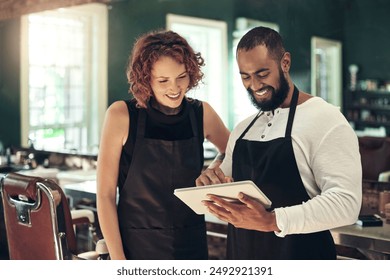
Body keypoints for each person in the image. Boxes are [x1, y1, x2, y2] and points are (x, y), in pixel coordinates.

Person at [196, 26, 362, 260]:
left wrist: (272, 221)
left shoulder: (326, 120)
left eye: (262, 74)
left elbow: (346, 204)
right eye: (245, 76)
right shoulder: (243, 129)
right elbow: (225, 179)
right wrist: (210, 180)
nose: (254, 85)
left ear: (285, 62)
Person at [96, 30, 230, 260]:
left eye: (182, 77)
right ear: (145, 78)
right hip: (137, 246)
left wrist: (214, 169)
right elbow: (106, 195)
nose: (175, 88)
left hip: (191, 244)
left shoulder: (201, 113)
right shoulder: (121, 115)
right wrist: (120, 263)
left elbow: (233, 150)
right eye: (163, 80)